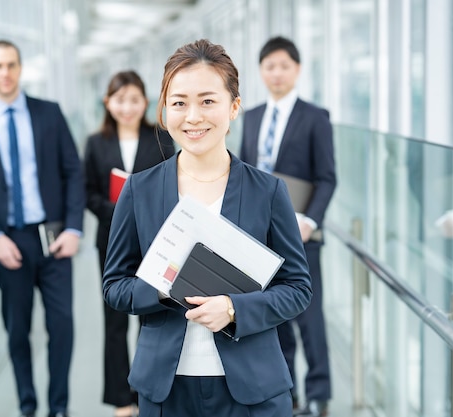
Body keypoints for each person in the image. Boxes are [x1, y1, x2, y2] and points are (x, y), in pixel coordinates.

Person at [102, 38, 312, 417]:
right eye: (179, 103)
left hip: (254, 392)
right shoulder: (140, 190)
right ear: (164, 113)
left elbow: (298, 289)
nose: (193, 116)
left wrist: (234, 309)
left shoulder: (267, 191)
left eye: (208, 101)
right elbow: (115, 286)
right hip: (166, 390)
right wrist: (169, 286)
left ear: (233, 108)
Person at [0, 39, 84, 417]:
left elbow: (72, 171)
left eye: (11, 64)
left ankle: (58, 407)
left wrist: (74, 229)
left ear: (21, 68)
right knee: (17, 329)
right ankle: (28, 405)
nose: (5, 73)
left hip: (54, 235)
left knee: (62, 326)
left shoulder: (49, 113)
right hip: (8, 242)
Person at [239, 36, 337, 417]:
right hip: (259, 234)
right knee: (274, 314)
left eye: (283, 66)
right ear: (261, 72)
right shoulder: (251, 116)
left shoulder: (316, 117)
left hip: (301, 235)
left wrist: (311, 221)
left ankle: (319, 394)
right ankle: (288, 392)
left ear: (296, 70)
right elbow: (245, 172)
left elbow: (327, 177)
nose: (276, 73)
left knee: (310, 318)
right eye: (269, 66)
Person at [84, 70, 174, 417]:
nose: (127, 107)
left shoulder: (161, 138)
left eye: (134, 99)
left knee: (151, 315)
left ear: (145, 102)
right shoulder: (96, 143)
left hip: (156, 241)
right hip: (111, 241)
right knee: (114, 320)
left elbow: (171, 187)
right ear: (108, 102)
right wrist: (120, 210)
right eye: (120, 99)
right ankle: (121, 398)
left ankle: (144, 392)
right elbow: (88, 193)